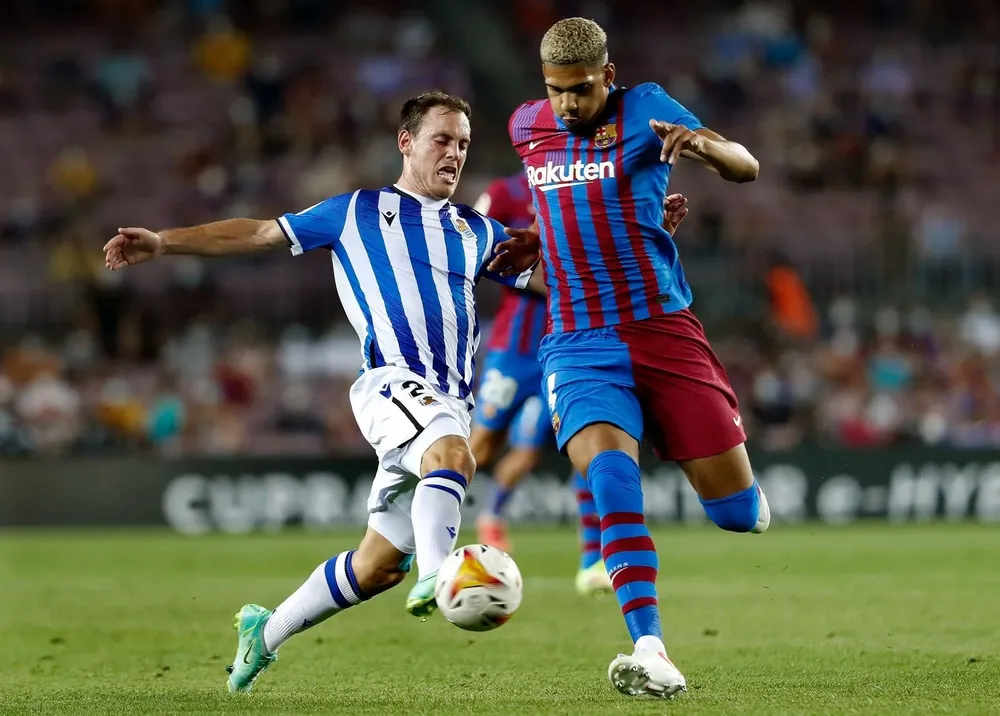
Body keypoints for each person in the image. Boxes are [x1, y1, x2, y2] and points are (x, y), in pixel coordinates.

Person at [103, 91, 544, 694]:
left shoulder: (476, 230)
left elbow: (555, 283)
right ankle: (442, 575)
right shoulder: (356, 212)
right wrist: (164, 241)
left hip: (449, 404)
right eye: (441, 139)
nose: (454, 153)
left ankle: (265, 631)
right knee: (452, 456)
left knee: (378, 566)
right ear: (406, 142)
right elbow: (259, 233)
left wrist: (648, 244)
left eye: (463, 144)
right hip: (391, 383)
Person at [492, 18, 771, 699]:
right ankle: (650, 647)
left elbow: (746, 166)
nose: (567, 104)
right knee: (611, 476)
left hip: (662, 331)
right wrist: (536, 240)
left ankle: (739, 489)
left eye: (581, 89)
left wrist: (702, 146)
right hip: (578, 341)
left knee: (738, 515)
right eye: (557, 90)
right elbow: (561, 210)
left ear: (608, 77)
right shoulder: (527, 126)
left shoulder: (646, 107)